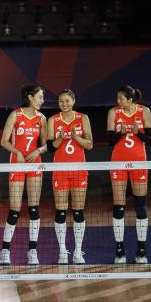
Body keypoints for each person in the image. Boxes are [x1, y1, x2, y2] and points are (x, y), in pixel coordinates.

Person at [0, 85, 47, 266]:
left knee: (34, 208)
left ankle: (32, 251)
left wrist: (38, 151)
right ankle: (5, 251)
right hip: (17, 164)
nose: (42, 100)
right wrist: (17, 152)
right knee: (15, 209)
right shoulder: (15, 115)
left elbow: (46, 144)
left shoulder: (41, 118)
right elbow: (4, 141)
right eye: (39, 97)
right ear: (30, 97)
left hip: (35, 164)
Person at [107, 85, 151, 264]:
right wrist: (120, 133)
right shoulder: (113, 113)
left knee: (140, 206)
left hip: (139, 163)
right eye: (117, 98)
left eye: (121, 98)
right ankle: (120, 249)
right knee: (119, 206)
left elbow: (150, 139)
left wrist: (137, 133)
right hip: (118, 163)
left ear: (131, 99)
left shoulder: (144, 111)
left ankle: (141, 249)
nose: (118, 101)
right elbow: (110, 141)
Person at [47, 90, 92, 265]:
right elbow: (50, 147)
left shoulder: (83, 118)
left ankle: (78, 252)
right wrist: (60, 138)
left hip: (79, 170)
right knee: (61, 211)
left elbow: (89, 144)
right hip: (60, 170)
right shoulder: (53, 120)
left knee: (78, 211)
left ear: (73, 101)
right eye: (61, 101)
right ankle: (62, 251)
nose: (64, 104)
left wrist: (75, 137)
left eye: (67, 100)